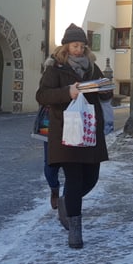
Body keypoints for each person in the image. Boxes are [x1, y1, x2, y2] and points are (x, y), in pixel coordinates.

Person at [36, 23, 110, 249]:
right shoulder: (55, 69)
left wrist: (104, 86)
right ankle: (75, 232)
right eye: (74, 45)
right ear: (66, 46)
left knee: (91, 178)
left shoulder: (92, 68)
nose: (78, 49)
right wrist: (67, 92)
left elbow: (106, 93)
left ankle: (66, 201)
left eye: (81, 46)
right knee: (75, 179)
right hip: (66, 132)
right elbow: (42, 95)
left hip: (89, 130)